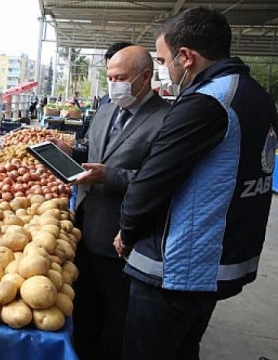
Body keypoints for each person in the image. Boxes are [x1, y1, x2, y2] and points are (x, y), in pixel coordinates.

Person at [113, 7, 278, 360]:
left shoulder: (206, 102)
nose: (164, 69)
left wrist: (127, 232)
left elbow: (151, 181)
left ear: (186, 57)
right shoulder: (256, 96)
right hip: (222, 262)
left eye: (162, 59)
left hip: (178, 269)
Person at [50, 45, 170, 360]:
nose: (113, 83)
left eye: (121, 77)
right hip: (85, 227)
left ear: (145, 77)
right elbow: (91, 148)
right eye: (109, 76)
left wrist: (111, 176)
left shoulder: (166, 119)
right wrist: (68, 150)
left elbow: (160, 180)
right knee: (85, 309)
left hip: (123, 238)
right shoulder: (106, 108)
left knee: (118, 318)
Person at [97, 41, 134, 108]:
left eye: (120, 77)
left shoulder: (158, 115)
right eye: (110, 77)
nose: (113, 82)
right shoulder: (105, 101)